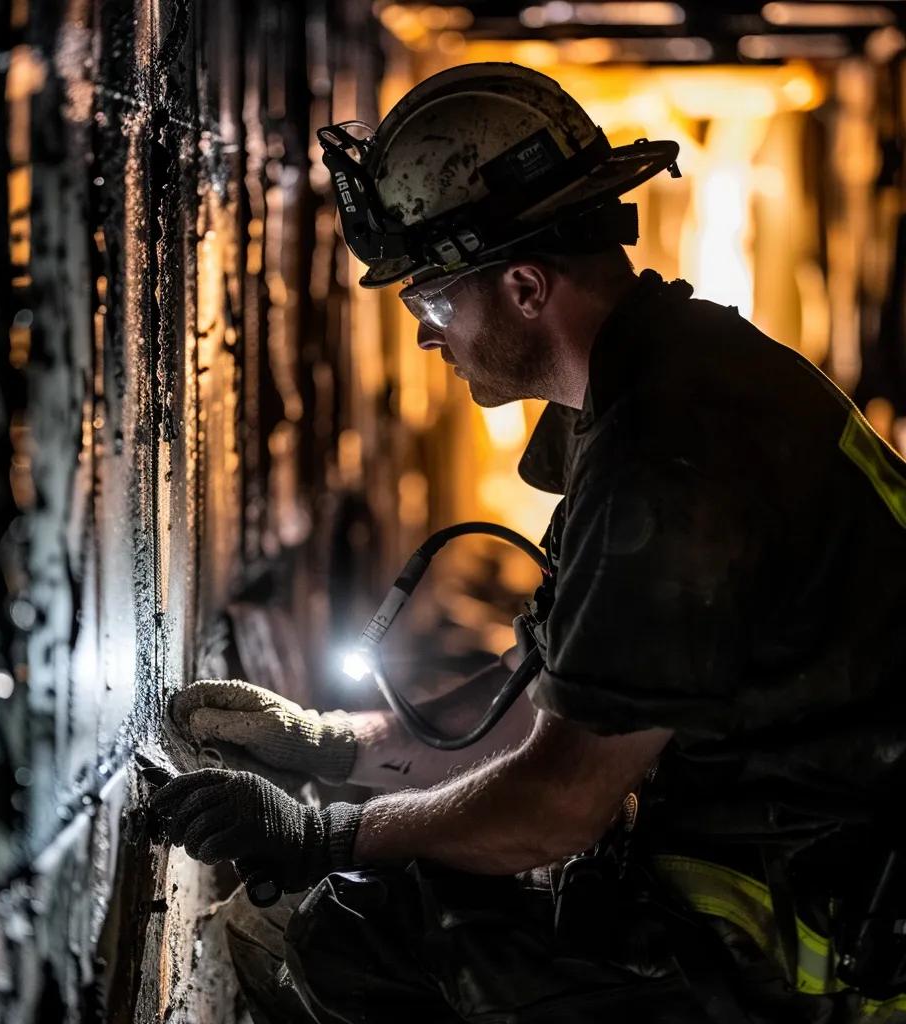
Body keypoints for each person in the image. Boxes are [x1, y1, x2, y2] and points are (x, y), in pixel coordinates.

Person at [150, 64, 906, 1023]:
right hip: (798, 856)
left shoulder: (668, 463)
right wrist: (331, 745)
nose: (426, 336)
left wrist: (329, 837)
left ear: (522, 286)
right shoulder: (672, 375)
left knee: (364, 935)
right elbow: (561, 705)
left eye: (431, 303)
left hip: (825, 946)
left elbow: (559, 800)